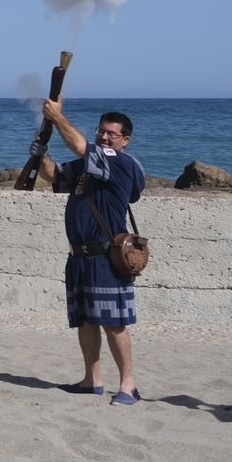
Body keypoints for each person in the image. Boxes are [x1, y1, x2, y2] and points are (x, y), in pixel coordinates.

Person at [41, 100, 146, 406]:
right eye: (101, 131)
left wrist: (57, 116)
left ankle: (128, 384)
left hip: (106, 257)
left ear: (124, 140)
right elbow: (57, 177)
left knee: (113, 324)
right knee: (85, 320)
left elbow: (77, 146)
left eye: (111, 134)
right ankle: (92, 380)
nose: (104, 137)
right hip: (79, 256)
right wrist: (41, 156)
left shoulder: (121, 164)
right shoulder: (91, 166)